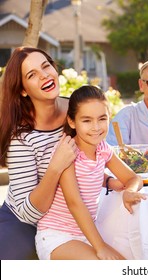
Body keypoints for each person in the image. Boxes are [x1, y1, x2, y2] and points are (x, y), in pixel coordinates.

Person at [35, 85, 145, 260]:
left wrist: (129, 191)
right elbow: (74, 203)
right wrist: (100, 247)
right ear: (72, 121)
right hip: (57, 236)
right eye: (86, 120)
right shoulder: (67, 151)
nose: (96, 127)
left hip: (86, 233)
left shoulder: (103, 149)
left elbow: (133, 177)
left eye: (102, 119)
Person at [0, 47, 78, 260]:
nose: (44, 75)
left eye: (46, 66)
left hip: (72, 215)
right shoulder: (22, 136)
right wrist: (56, 166)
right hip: (24, 223)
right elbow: (29, 212)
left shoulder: (78, 111)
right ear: (23, 90)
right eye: (32, 75)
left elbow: (99, 157)